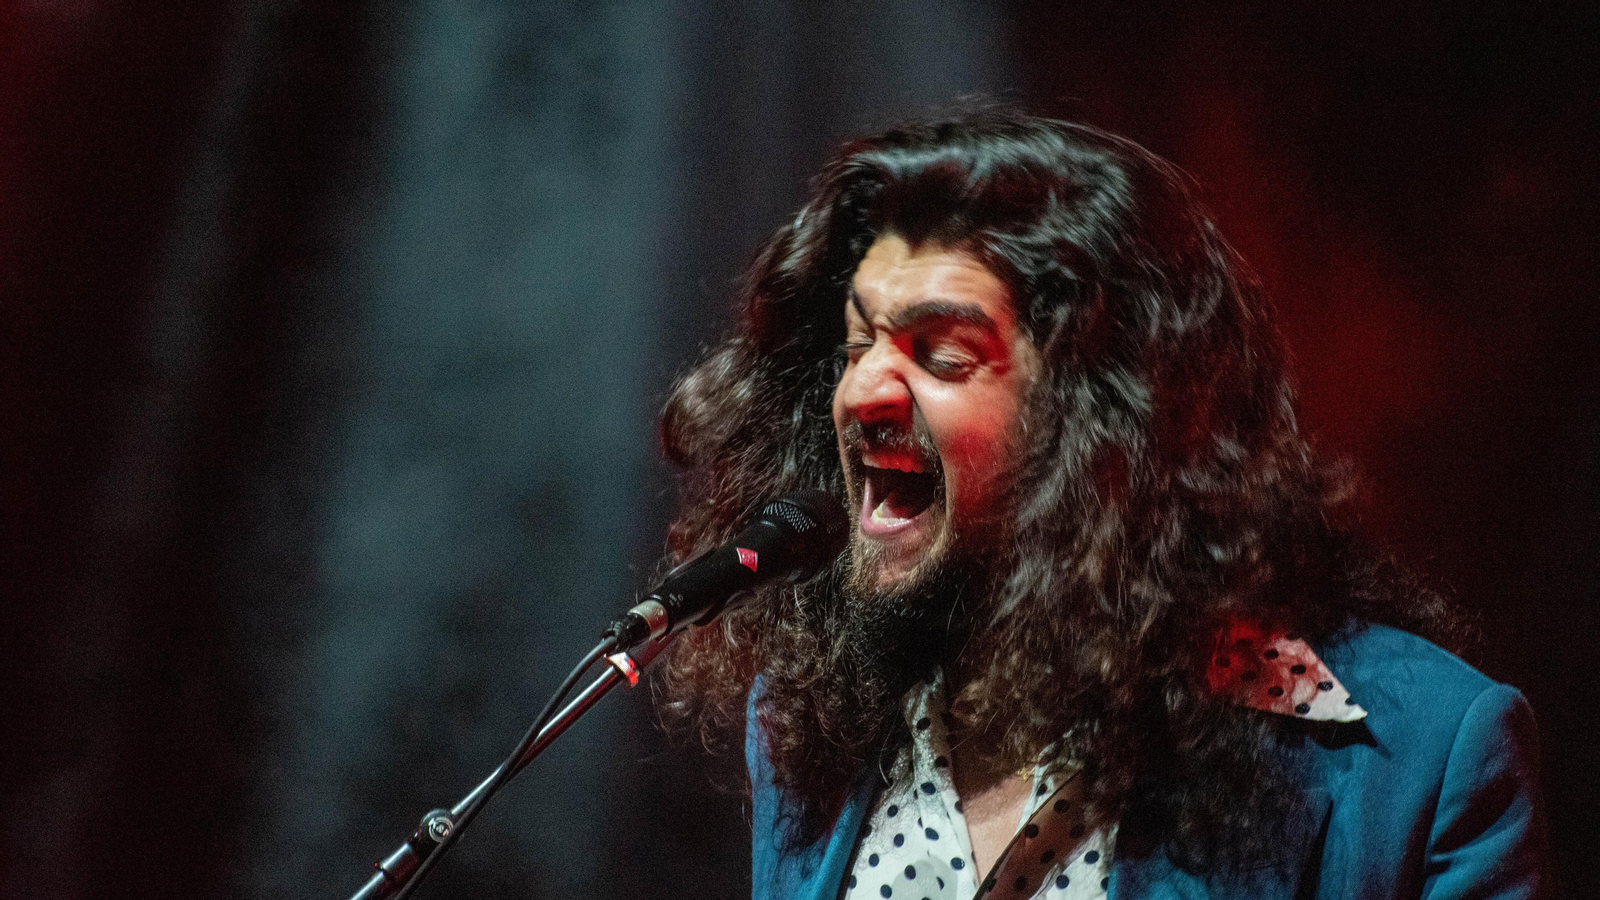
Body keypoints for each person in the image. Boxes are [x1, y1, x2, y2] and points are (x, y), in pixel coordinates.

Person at [653, 112, 1548, 900]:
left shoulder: (1424, 756)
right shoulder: (811, 726)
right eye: (856, 346)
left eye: (942, 356)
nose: (862, 392)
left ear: (1109, 413)